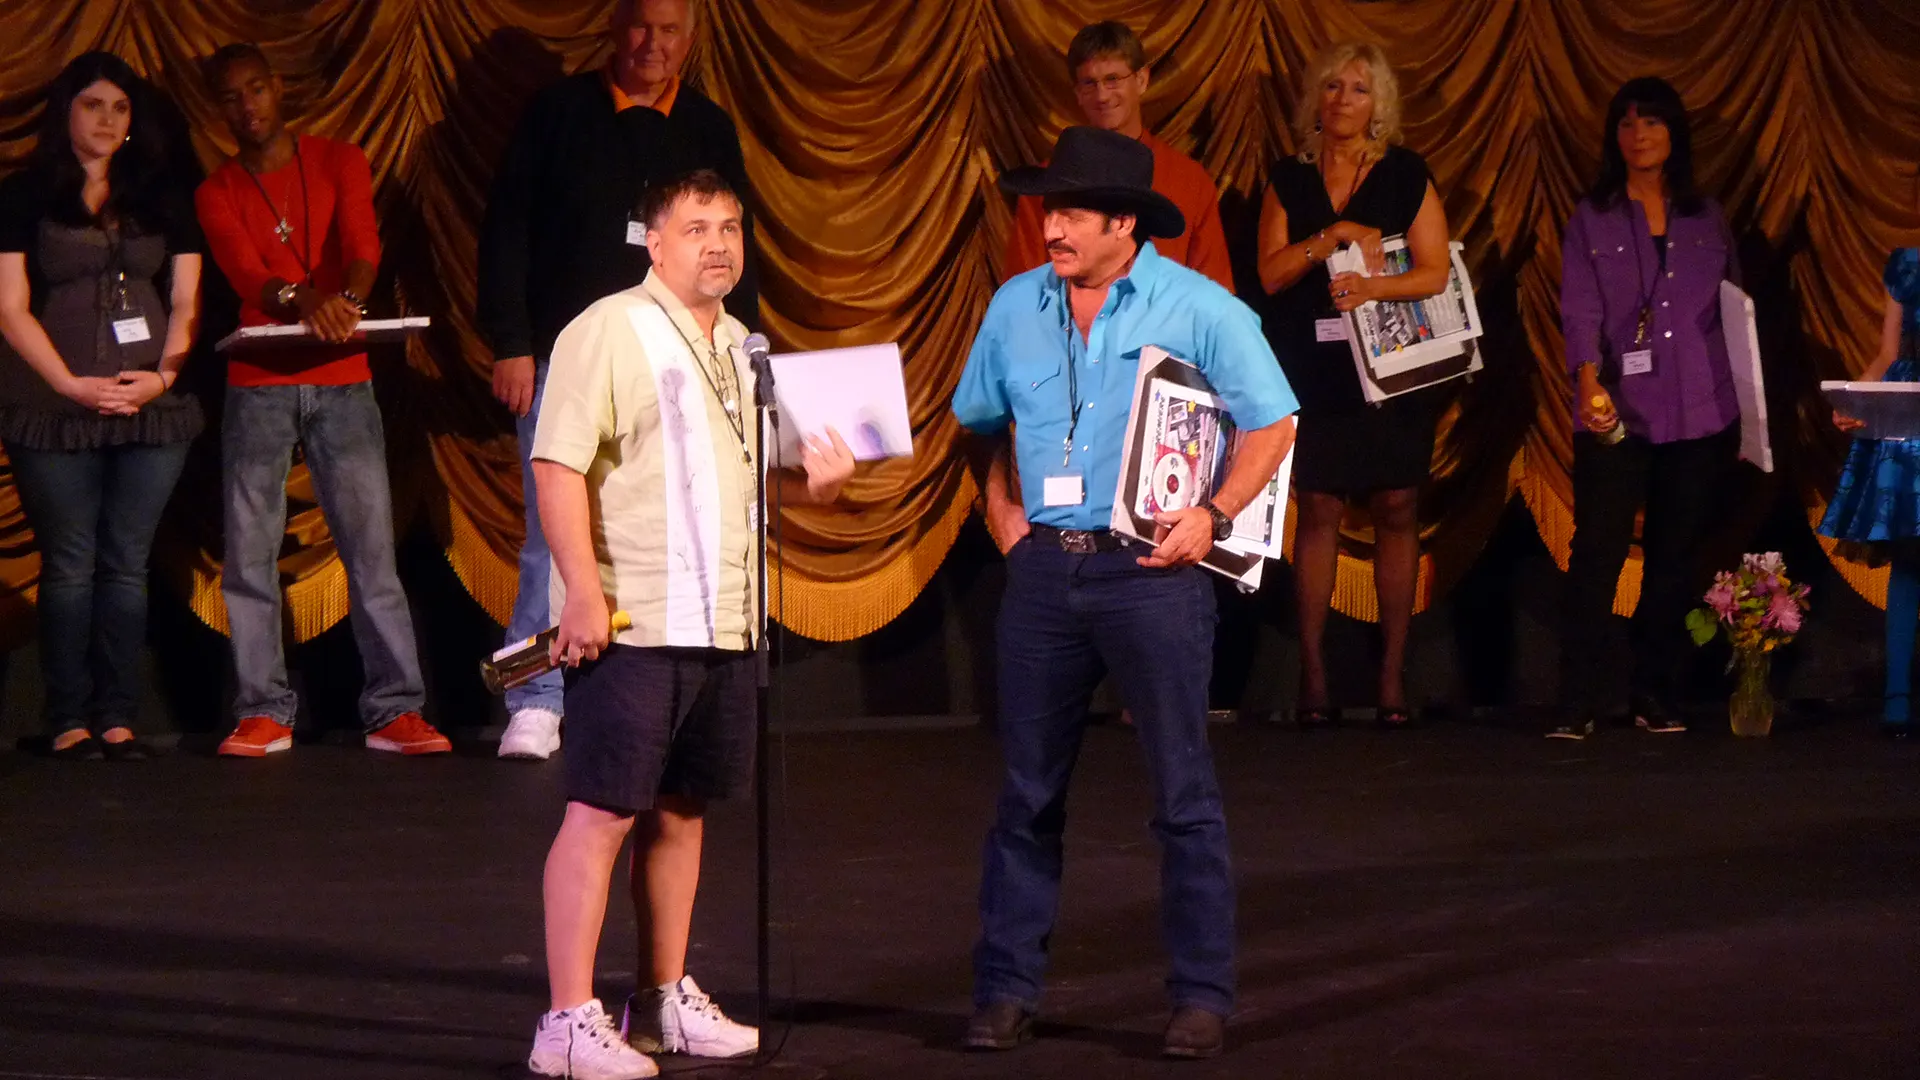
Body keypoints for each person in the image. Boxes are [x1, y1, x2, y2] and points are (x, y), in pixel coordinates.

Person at [954, 126, 1298, 1060]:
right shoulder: (1016, 306)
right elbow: (980, 423)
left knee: (1181, 792)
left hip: (1151, 572)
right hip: (1042, 571)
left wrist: (1215, 514)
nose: (1049, 225)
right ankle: (1006, 988)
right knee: (1025, 793)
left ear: (1122, 222)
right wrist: (1000, 508)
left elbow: (1275, 419)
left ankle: (1199, 996)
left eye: (1067, 211)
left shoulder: (1201, 308)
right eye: (1046, 208)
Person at [525, 169, 853, 1080]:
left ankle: (663, 998)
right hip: (635, 615)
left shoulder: (743, 343)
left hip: (724, 619)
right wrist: (580, 592)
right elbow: (558, 468)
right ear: (653, 241)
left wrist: (810, 482)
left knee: (682, 809)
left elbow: (744, 472)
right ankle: (565, 1021)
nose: (719, 243)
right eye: (697, 227)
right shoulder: (606, 328)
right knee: (601, 813)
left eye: (731, 227)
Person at [477, 0, 756, 761]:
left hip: (682, 370)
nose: (653, 45)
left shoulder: (707, 124)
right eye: (640, 27)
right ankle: (537, 697)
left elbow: (736, 247)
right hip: (572, 362)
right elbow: (510, 229)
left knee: (677, 527)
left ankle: (673, 689)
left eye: (670, 32)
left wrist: (748, 350)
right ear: (612, 30)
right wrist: (512, 341)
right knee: (553, 528)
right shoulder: (559, 113)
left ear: (690, 40)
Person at [195, 43, 449, 757]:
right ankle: (262, 711)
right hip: (257, 384)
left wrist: (346, 301)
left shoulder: (339, 159)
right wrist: (307, 301)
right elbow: (248, 274)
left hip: (343, 380)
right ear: (220, 110)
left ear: (279, 89)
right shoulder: (216, 191)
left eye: (256, 90)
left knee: (371, 549)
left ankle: (396, 709)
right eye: (231, 98)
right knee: (249, 554)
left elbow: (364, 244)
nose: (247, 107)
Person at [0, 52, 205, 761]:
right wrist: (67, 383)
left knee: (125, 563)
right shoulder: (24, 195)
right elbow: (10, 307)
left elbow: (185, 301)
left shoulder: (164, 195)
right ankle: (66, 720)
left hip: (150, 410)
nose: (107, 120)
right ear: (66, 112)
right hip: (53, 412)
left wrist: (162, 376)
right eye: (93, 105)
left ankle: (117, 718)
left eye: (119, 108)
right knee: (70, 564)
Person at [1255, 41, 1453, 728]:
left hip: (1392, 366)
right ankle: (1314, 677)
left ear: (1380, 105)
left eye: (1359, 90)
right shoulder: (1289, 176)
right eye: (1333, 87)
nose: (1343, 100)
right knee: (1318, 511)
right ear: (1317, 99)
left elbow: (1434, 273)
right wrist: (1331, 235)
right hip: (1311, 366)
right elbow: (1271, 274)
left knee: (1398, 503)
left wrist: (1372, 286)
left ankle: (1392, 676)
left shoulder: (1405, 174)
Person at [1553, 76, 1742, 740]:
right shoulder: (1593, 215)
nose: (1639, 136)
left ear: (1674, 135)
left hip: (1698, 409)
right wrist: (1585, 379)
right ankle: (1579, 698)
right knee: (1599, 550)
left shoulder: (1706, 215)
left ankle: (1652, 692)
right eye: (1628, 125)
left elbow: (1733, 312)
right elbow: (1579, 306)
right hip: (1615, 408)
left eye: (1653, 124)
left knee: (1672, 556)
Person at [1002, 20, 1231, 289]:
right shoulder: (1047, 187)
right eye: (1089, 83)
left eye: (1113, 79)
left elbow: (1214, 291)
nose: (1102, 96)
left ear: (1142, 80)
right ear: (1077, 93)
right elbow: (1023, 292)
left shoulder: (1190, 181)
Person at [1824, 232, 1920, 738]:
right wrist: (1857, 401)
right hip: (1912, 410)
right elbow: (1886, 352)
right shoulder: (1906, 264)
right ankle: (1897, 698)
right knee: (1910, 559)